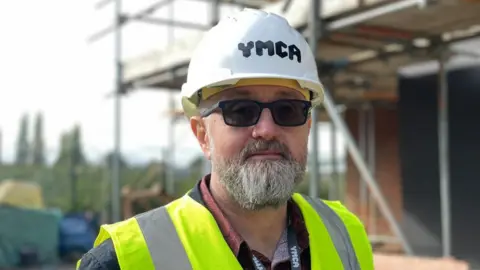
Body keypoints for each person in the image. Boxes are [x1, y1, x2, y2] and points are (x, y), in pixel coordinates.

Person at [77, 8, 374, 270]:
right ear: (202, 134)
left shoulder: (346, 235)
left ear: (307, 126)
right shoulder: (125, 261)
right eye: (241, 111)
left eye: (288, 109)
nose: (267, 129)